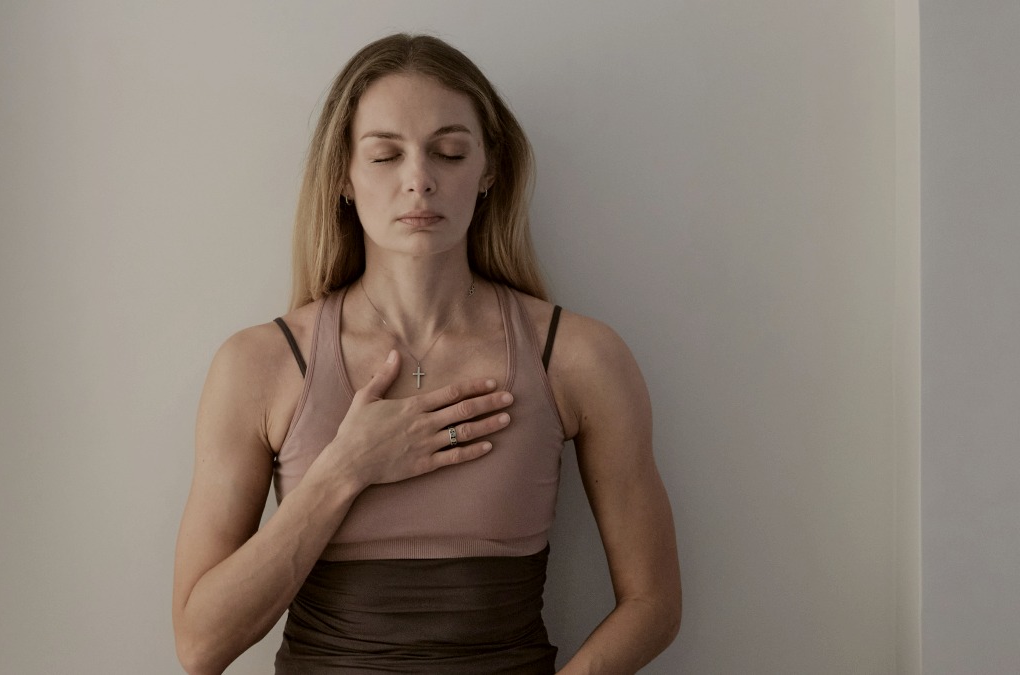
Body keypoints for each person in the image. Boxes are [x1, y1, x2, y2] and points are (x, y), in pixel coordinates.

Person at [172, 33, 680, 674]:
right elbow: (199, 646)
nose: (419, 181)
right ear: (344, 178)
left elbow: (653, 604)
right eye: (385, 156)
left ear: (489, 169)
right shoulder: (258, 366)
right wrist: (345, 469)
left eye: (448, 151)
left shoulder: (579, 358)